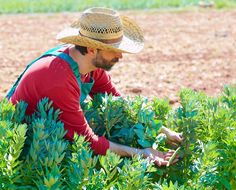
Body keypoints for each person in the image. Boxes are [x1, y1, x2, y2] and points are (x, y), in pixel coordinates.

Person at [7, 7, 182, 166]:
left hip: (49, 127)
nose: (120, 55)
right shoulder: (58, 78)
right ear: (92, 49)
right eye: (113, 49)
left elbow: (117, 102)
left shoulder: (89, 65)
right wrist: (141, 153)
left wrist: (164, 131)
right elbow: (87, 141)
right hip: (25, 145)